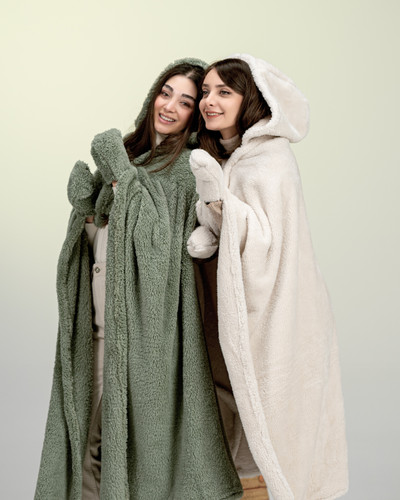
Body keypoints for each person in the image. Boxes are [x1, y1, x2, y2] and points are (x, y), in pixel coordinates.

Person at [35, 59, 243, 500]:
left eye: (185, 102)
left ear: (194, 115)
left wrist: (117, 173)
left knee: (107, 454)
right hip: (93, 331)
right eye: (166, 93)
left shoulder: (186, 169)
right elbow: (100, 245)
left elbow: (157, 249)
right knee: (80, 442)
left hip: (139, 339)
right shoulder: (132, 161)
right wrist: (86, 211)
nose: (169, 106)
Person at [187, 55, 349, 500]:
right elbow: (232, 229)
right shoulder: (227, 156)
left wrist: (216, 198)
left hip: (277, 308)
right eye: (206, 92)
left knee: (270, 413)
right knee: (230, 408)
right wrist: (210, 225)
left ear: (252, 99)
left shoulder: (270, 161)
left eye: (224, 92)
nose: (209, 101)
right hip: (225, 306)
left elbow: (265, 243)